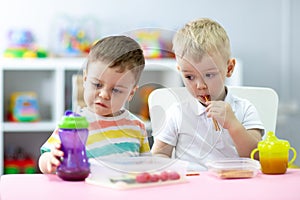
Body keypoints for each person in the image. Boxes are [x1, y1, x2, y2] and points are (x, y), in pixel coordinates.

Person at [151, 18, 264, 171]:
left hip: (235, 185)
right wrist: (172, 168)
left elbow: (256, 157)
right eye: (190, 77)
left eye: (209, 75)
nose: (200, 85)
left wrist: (233, 124)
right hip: (191, 188)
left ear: (229, 68)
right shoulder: (177, 112)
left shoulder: (244, 109)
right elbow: (159, 155)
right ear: (180, 71)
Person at [39, 35, 151, 174]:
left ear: (131, 93)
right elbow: (45, 157)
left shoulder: (137, 126)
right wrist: (50, 159)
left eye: (116, 90)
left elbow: (146, 167)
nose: (104, 95)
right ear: (85, 80)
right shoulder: (73, 123)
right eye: (97, 84)